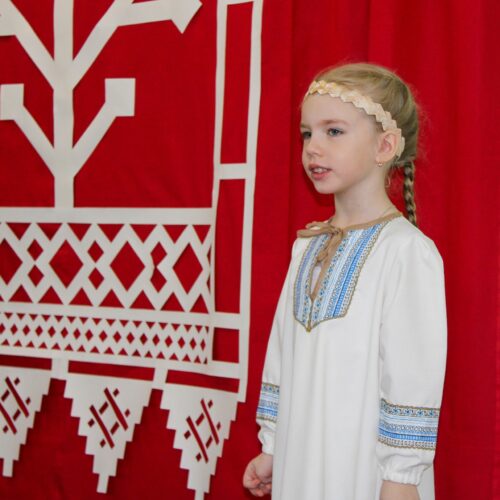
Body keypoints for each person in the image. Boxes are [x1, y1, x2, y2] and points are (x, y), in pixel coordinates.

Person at [242, 62, 447, 500]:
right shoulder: (307, 246)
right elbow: (282, 351)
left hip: (366, 474)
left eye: (333, 131)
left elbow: (413, 376)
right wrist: (273, 445)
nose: (313, 147)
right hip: (301, 464)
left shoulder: (406, 252)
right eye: (307, 133)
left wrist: (400, 478)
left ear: (385, 145)